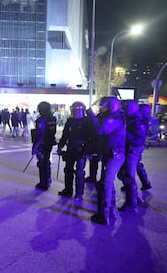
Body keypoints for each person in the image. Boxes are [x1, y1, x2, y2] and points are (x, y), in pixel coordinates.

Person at [86, 96, 126, 225]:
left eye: (103, 106)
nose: (101, 108)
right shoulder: (114, 116)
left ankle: (104, 214)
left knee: (105, 184)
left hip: (114, 155)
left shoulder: (114, 118)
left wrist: (92, 116)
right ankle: (112, 210)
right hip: (111, 154)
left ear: (111, 106)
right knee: (108, 183)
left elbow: (100, 131)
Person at [57, 102, 93, 201]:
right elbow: (65, 135)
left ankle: (79, 193)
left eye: (77, 109)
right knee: (68, 170)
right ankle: (68, 190)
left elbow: (91, 137)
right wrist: (61, 146)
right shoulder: (70, 120)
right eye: (74, 109)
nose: (75, 111)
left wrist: (88, 150)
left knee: (79, 172)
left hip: (82, 149)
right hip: (71, 148)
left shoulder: (87, 121)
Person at [117, 100, 147, 213]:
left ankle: (132, 204)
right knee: (123, 175)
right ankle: (135, 197)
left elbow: (139, 140)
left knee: (129, 176)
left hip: (133, 150)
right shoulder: (128, 118)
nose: (124, 109)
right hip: (127, 150)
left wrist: (124, 134)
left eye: (126, 108)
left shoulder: (138, 122)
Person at [31, 101, 56, 191]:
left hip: (42, 144)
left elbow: (40, 134)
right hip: (49, 143)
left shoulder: (42, 120)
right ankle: (48, 180)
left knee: (42, 164)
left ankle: (43, 183)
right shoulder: (52, 119)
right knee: (46, 162)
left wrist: (35, 147)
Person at [136, 103, 152, 190]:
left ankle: (145, 183)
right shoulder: (146, 119)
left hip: (138, 144)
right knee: (137, 165)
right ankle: (145, 182)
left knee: (136, 165)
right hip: (140, 144)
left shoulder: (142, 120)